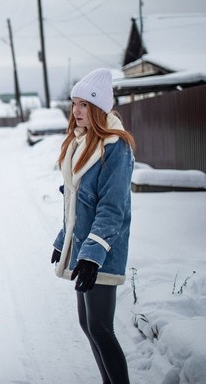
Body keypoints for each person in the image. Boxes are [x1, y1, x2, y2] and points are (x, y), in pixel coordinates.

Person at [51, 68, 135, 384]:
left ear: (99, 108)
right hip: (84, 249)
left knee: (101, 327)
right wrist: (63, 240)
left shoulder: (116, 147)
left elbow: (112, 209)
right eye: (74, 103)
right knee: (89, 325)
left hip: (102, 250)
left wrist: (91, 255)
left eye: (84, 104)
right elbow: (76, 202)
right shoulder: (80, 142)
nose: (77, 111)